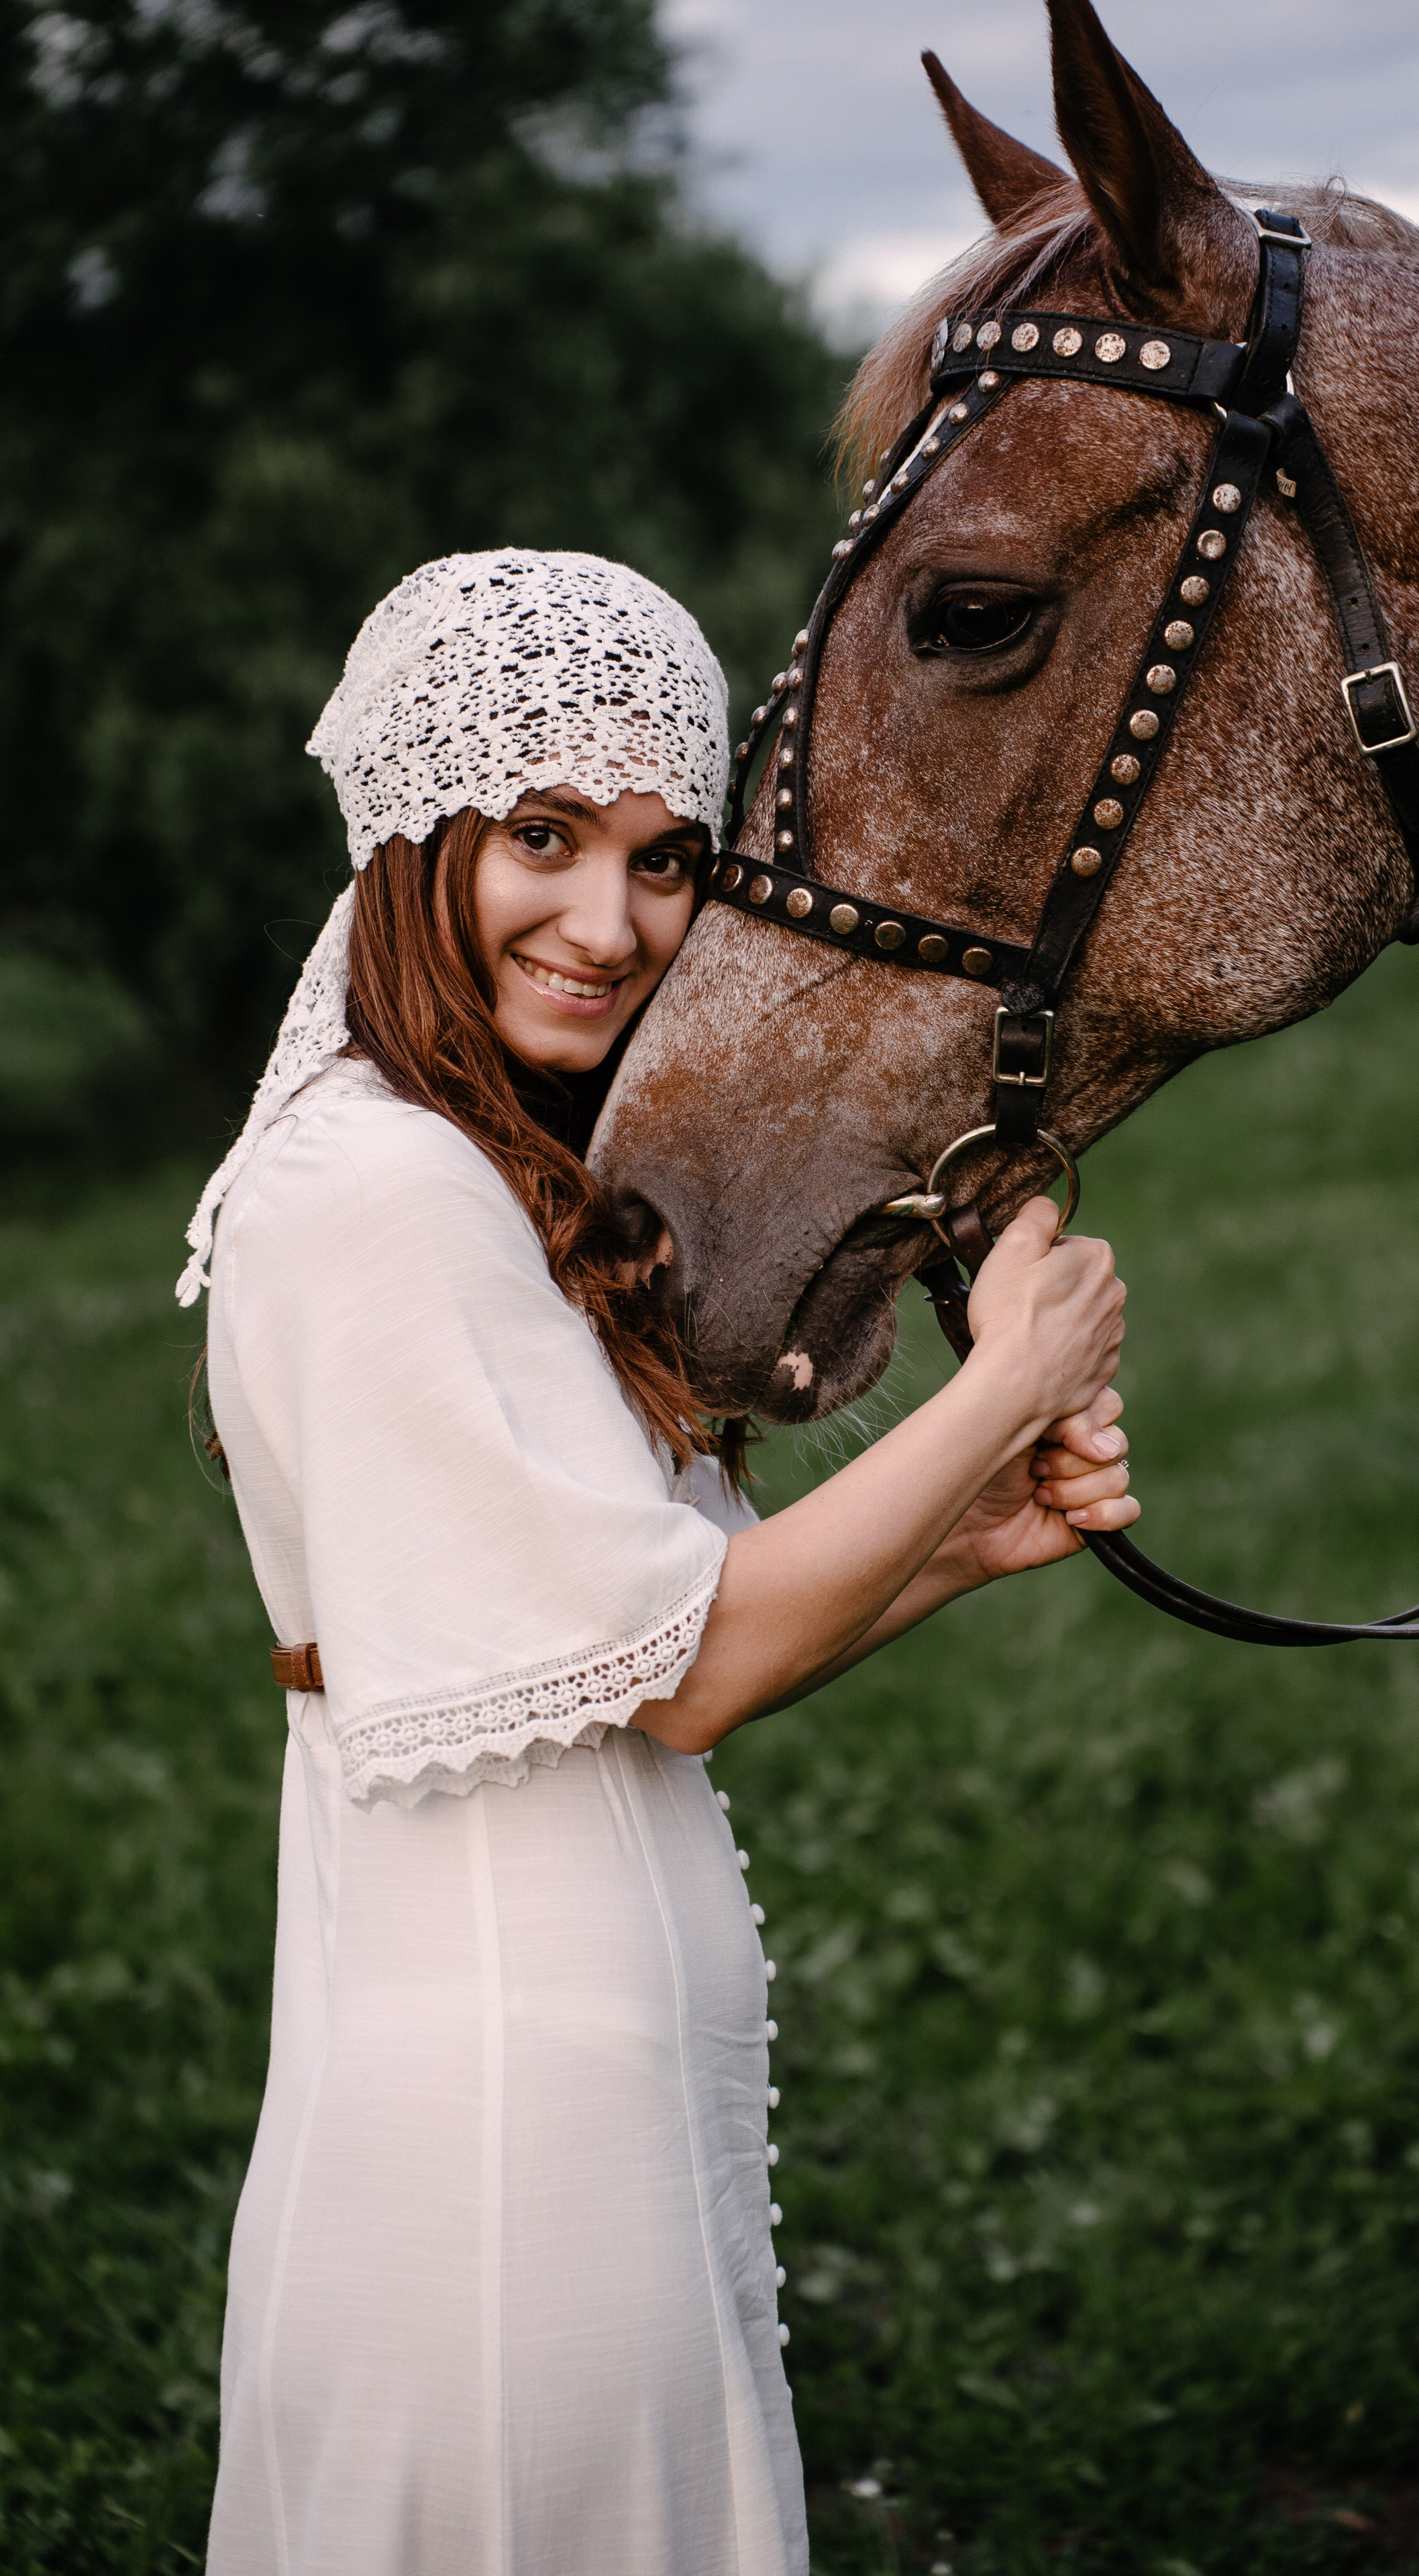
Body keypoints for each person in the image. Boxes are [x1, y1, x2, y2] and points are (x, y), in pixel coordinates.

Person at [179, 549, 1139, 2576]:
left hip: (566, 2069)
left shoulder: (459, 1167)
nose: (606, 925)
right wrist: (1007, 1382)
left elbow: (628, 1645)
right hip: (508, 2109)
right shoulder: (375, 1193)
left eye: (665, 857)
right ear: (411, 831)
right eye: (540, 836)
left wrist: (957, 1544)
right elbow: (689, 1669)